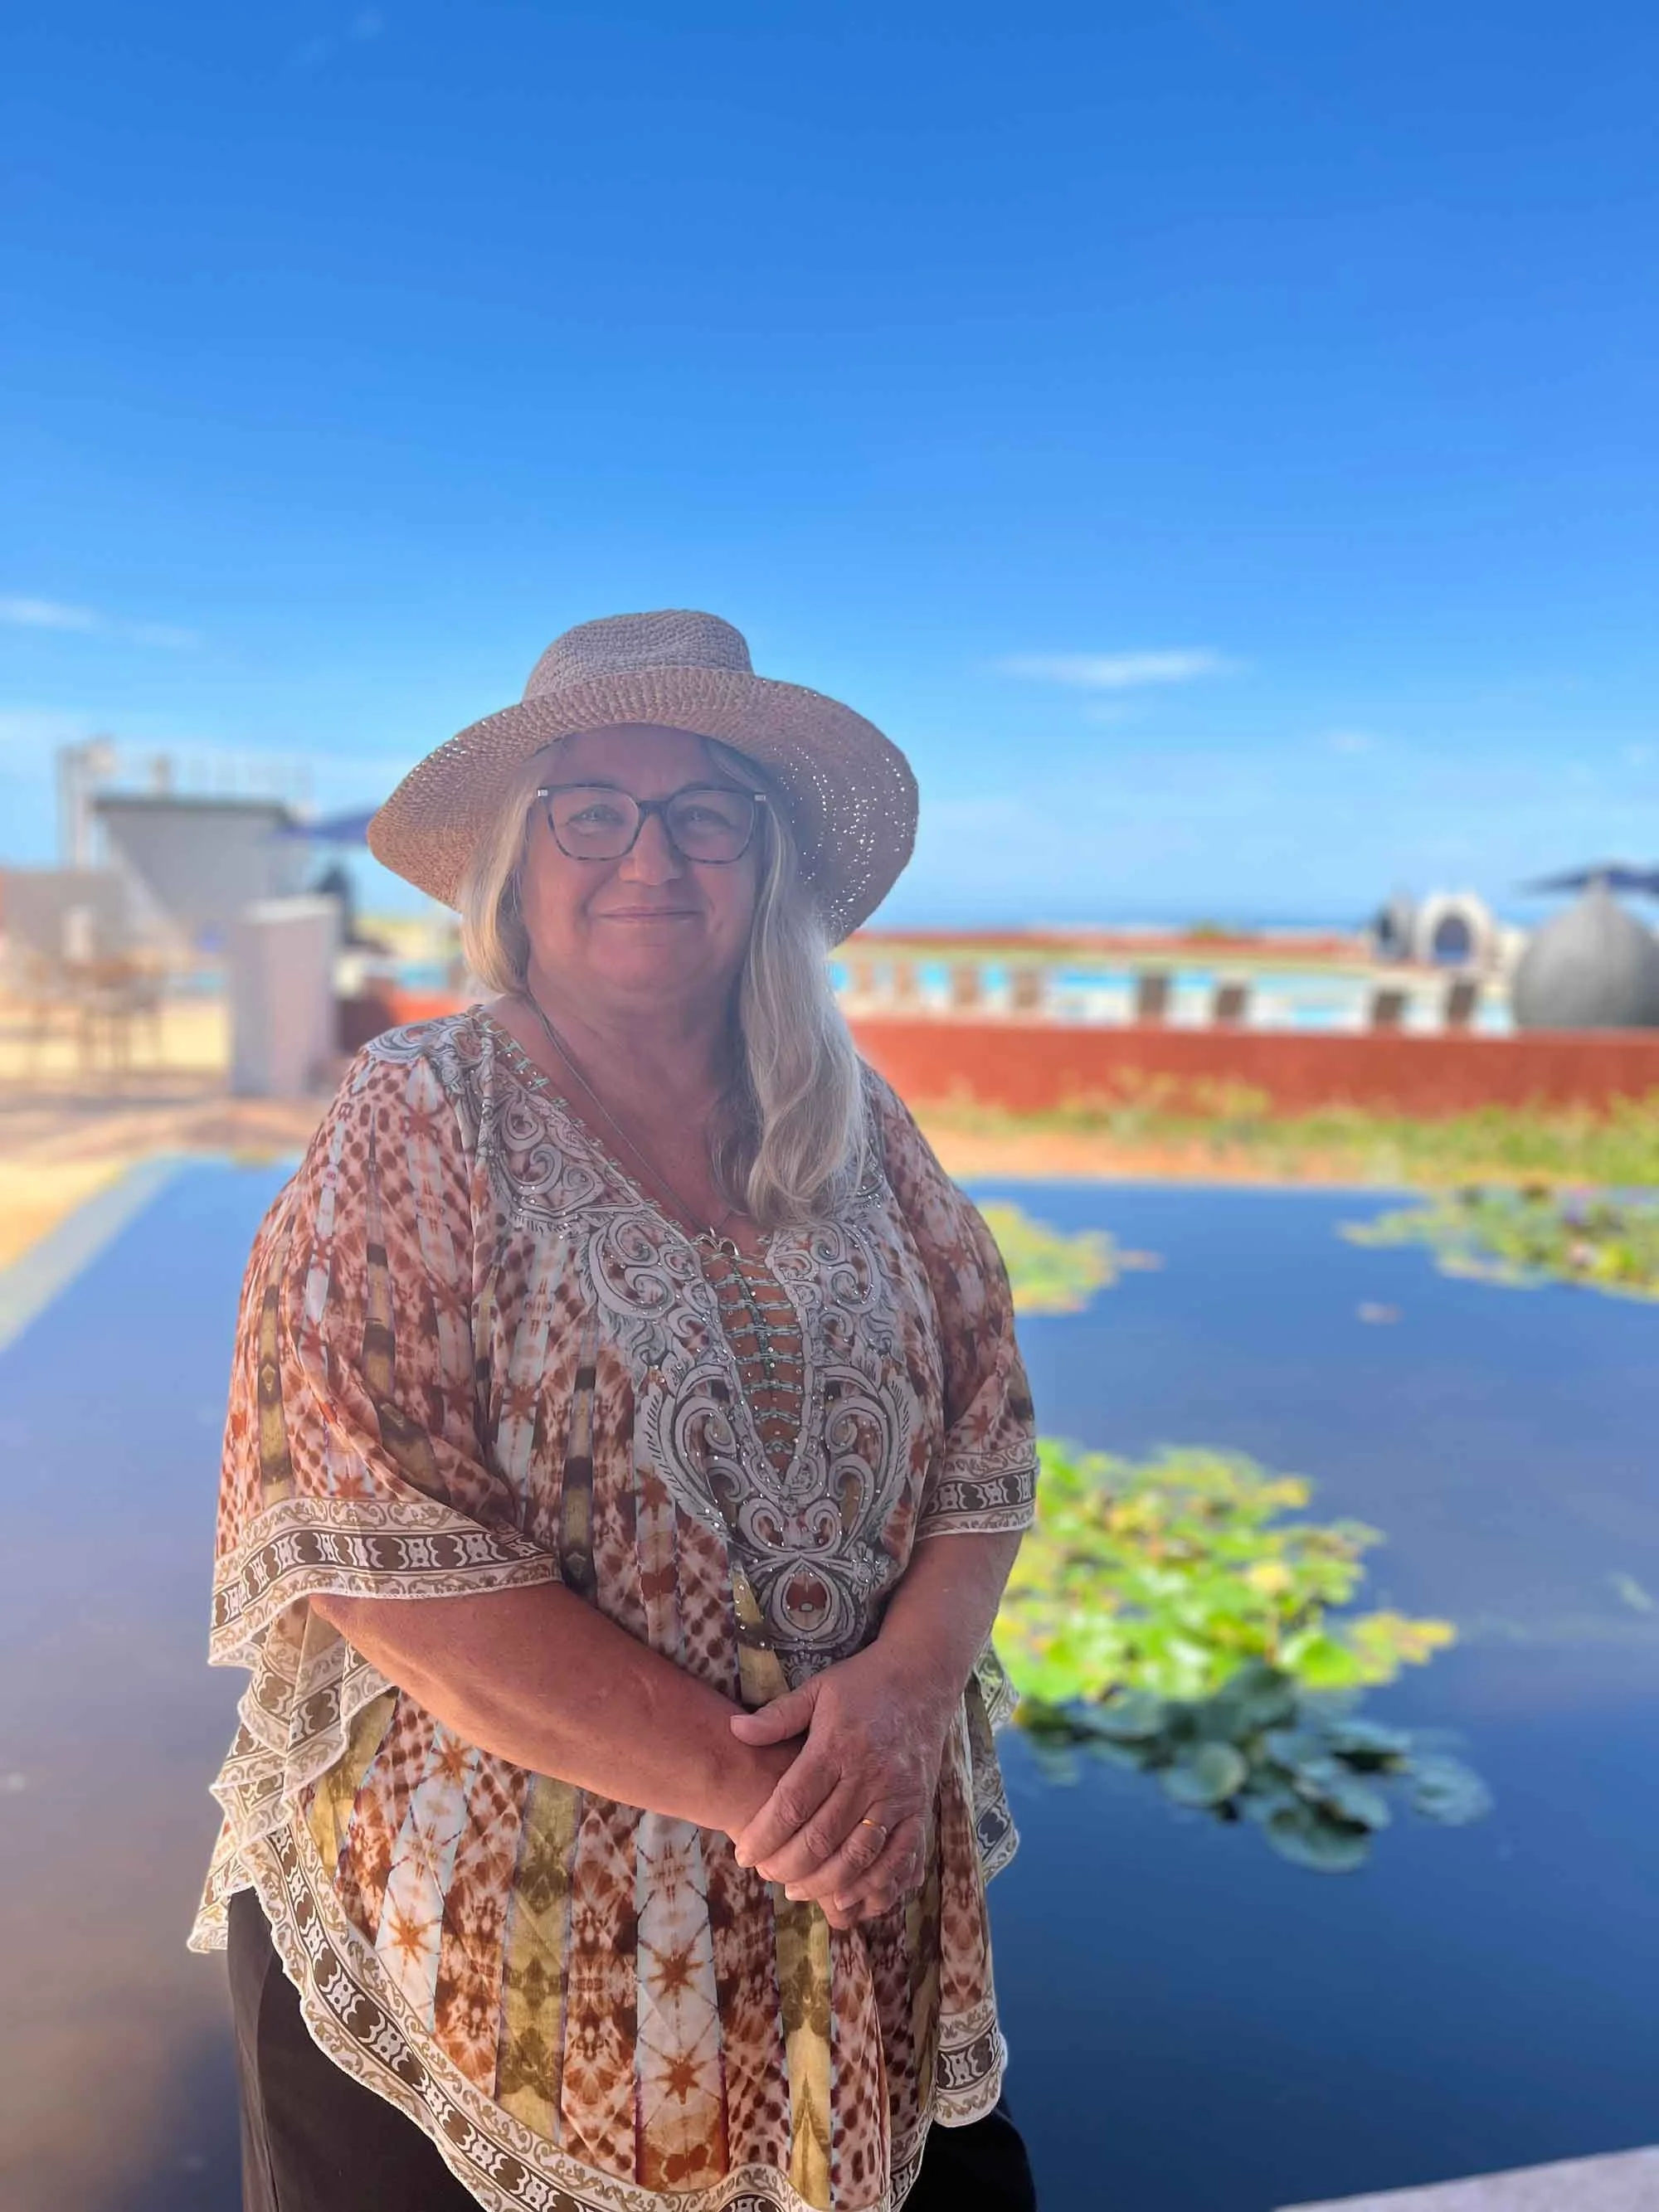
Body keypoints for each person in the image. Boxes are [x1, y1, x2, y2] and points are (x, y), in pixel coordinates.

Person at [191, 610, 1042, 2212]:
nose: (650, 854)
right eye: (595, 808)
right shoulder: (420, 1113)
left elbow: (988, 1444)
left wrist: (914, 1682)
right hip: (481, 1951)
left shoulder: (866, 1134)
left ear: (764, 860)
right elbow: (367, 1539)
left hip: (838, 1911)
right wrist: (771, 1798)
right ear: (521, 861)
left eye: (704, 812)